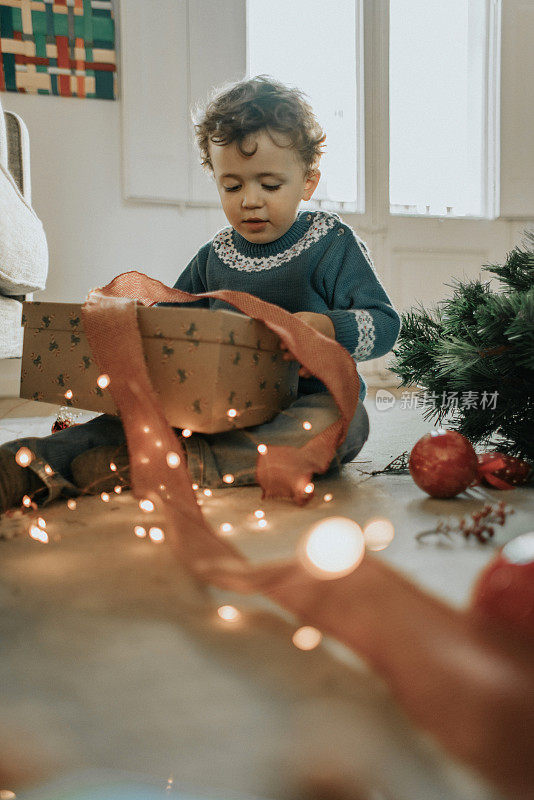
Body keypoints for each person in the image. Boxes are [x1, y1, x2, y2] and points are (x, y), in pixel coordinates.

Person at [0, 75, 401, 513]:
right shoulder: (215, 254)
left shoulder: (329, 243)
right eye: (233, 186)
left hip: (305, 398)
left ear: (307, 182)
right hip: (216, 404)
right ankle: (32, 463)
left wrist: (328, 327)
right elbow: (173, 318)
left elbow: (383, 323)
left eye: (270, 185)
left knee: (345, 426)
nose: (250, 200)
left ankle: (187, 466)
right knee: (129, 417)